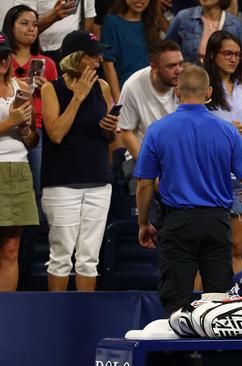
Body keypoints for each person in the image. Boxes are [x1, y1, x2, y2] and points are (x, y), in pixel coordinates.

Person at [134, 65, 242, 314]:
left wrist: (143, 223)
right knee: (218, 302)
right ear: (209, 92)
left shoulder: (157, 131)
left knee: (176, 302)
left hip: (177, 224)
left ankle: (176, 354)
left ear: (176, 92)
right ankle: (215, 353)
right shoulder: (227, 131)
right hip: (216, 223)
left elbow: (144, 184)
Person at [40, 29, 117, 291]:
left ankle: (84, 316)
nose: (98, 61)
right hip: (62, 182)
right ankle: (57, 315)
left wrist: (109, 127)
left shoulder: (103, 87)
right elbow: (56, 134)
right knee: (61, 256)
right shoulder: (52, 89)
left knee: (89, 259)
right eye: (93, 56)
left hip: (98, 181)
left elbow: (108, 137)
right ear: (76, 58)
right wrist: (78, 97)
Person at [203, 30, 242, 273]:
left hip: (239, 176)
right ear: (213, 55)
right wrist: (228, 130)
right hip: (208, 175)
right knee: (207, 248)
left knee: (236, 247)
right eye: (228, 53)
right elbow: (193, 127)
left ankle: (234, 304)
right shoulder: (202, 87)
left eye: (237, 54)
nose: (234, 59)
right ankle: (200, 303)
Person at [3, 5, 58, 194]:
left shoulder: (47, 63)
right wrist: (13, 83)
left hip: (38, 129)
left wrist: (47, 89)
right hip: (6, 128)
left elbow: (57, 103)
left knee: (37, 187)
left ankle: (38, 223)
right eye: (24, 23)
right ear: (10, 27)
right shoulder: (4, 63)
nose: (31, 28)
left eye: (35, 24)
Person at [117, 40, 183, 195]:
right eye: (171, 66)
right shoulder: (133, 85)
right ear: (154, 67)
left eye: (181, 64)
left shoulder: (185, 82)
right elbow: (126, 132)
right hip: (141, 157)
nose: (179, 70)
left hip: (177, 159)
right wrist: (152, 168)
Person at [0, 31, 38, 291]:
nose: (2, 62)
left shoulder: (22, 88)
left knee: (11, 248)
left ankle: (6, 313)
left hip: (19, 169)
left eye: (5, 56)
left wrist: (24, 129)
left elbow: (33, 139)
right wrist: (9, 123)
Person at [101, 0, 163, 102]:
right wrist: (119, 101)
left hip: (152, 93)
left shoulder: (152, 22)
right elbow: (108, 64)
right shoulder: (112, 22)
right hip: (126, 92)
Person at [166, 0, 242, 75]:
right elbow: (166, 49)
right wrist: (180, 65)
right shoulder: (183, 17)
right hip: (187, 81)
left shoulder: (236, 26)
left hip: (220, 84)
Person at [15, 0, 96, 65]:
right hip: (41, 56)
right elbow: (21, 29)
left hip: (75, 57)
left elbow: (88, 20)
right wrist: (53, 16)